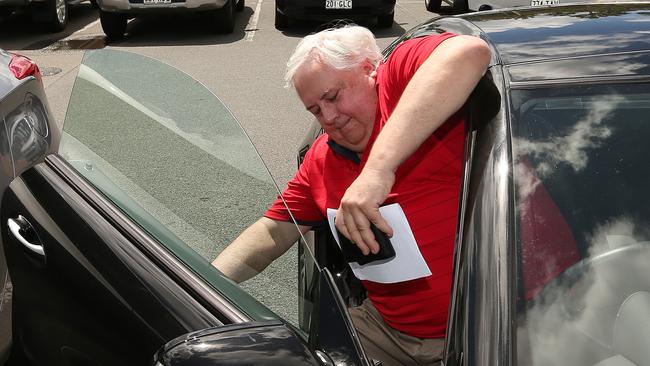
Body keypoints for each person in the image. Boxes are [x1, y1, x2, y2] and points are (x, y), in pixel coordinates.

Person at [213, 25, 490, 366]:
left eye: (332, 97)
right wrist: (202, 284)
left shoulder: (399, 81)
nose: (328, 117)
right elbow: (272, 232)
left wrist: (376, 171)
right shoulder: (321, 159)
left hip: (490, 330)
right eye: (315, 110)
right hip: (385, 333)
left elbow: (468, 52)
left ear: (369, 69)